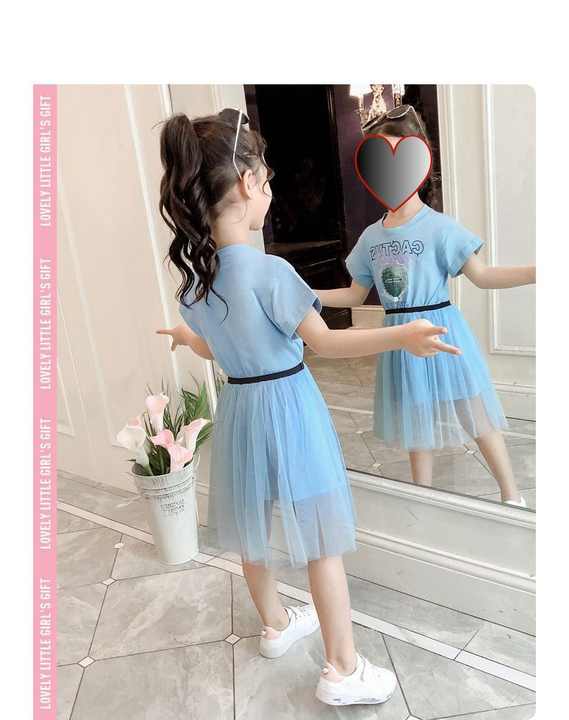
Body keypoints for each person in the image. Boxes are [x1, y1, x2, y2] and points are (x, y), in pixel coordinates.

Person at [156, 108, 459, 706]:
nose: (270, 186)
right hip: (290, 408)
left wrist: (188, 338)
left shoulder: (196, 283)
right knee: (321, 539)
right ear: (249, 183)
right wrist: (402, 333)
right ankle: (342, 669)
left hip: (241, 410)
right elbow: (328, 343)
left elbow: (217, 344)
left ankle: (275, 625)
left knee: (251, 528)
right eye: (267, 176)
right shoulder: (271, 272)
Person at [316, 104, 536, 505]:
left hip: (442, 331)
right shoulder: (370, 238)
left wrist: (536, 271)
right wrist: (308, 294)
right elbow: (352, 295)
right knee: (415, 421)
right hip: (400, 338)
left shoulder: (439, 227)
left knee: (475, 412)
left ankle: (511, 495)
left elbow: (483, 276)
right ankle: (424, 499)